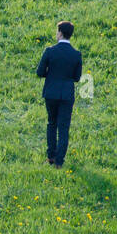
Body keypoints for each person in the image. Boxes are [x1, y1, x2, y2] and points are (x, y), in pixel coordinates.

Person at [36, 20, 83, 168]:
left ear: (60, 33)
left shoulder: (50, 51)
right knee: (64, 128)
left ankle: (51, 156)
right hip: (67, 95)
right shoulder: (76, 54)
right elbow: (77, 77)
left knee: (52, 123)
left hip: (51, 92)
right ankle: (59, 161)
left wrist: (51, 75)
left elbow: (40, 72)